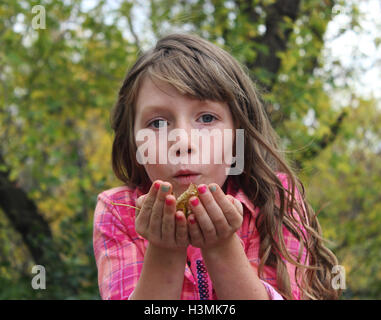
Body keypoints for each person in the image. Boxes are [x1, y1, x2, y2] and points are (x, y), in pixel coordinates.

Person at [93, 33, 340, 300]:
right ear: (133, 143)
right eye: (158, 123)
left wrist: (222, 247)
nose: (183, 142)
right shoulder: (118, 211)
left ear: (238, 133)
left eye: (207, 118)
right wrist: (164, 250)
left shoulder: (274, 199)